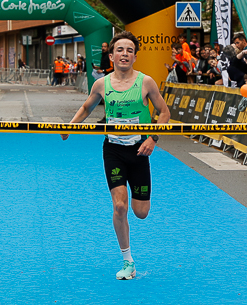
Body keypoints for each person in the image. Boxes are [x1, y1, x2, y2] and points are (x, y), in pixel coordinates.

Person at [63, 31, 170, 280]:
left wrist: (153, 139)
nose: (124, 54)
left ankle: (131, 241)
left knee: (141, 212)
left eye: (129, 50)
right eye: (120, 50)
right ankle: (128, 261)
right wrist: (70, 126)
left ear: (135, 57)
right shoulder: (102, 84)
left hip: (139, 150)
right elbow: (87, 107)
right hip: (113, 150)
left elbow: (164, 113)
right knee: (120, 206)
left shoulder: (146, 82)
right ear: (111, 56)